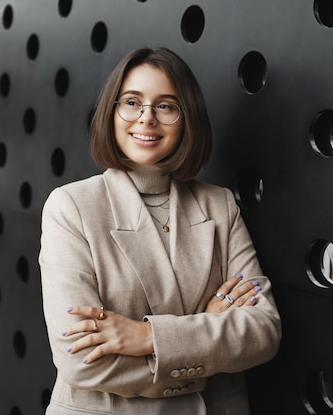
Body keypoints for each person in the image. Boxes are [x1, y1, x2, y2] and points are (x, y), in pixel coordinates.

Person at [39, 46, 281, 415]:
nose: (146, 118)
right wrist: (204, 342)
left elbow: (263, 331)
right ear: (112, 111)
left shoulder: (220, 205)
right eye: (132, 102)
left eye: (165, 106)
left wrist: (146, 337)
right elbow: (82, 358)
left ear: (187, 120)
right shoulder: (71, 207)